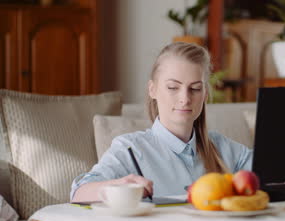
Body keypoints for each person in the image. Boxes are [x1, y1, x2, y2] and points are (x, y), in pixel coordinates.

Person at [71, 42, 252, 202]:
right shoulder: (130, 148)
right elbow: (78, 193)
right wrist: (116, 187)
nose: (185, 98)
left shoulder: (223, 148)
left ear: (204, 94)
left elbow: (272, 177)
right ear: (153, 90)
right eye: (173, 87)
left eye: (195, 89)